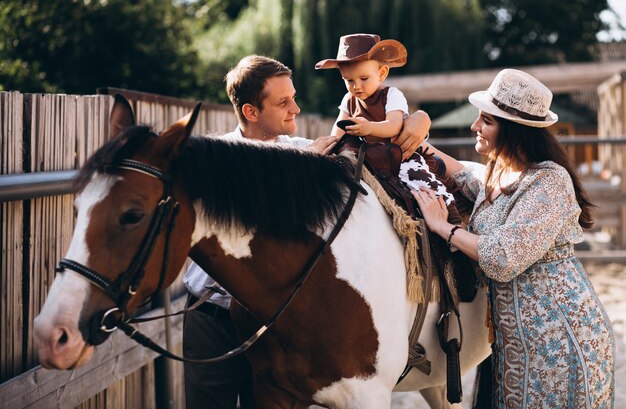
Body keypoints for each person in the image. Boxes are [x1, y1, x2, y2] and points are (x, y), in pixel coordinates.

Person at [183, 54, 431, 409]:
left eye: (294, 97)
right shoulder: (220, 161)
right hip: (214, 317)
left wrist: (418, 120)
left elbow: (365, 150)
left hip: (270, 323)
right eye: (283, 102)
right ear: (251, 112)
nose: (296, 109)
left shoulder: (303, 153)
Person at [412, 68, 615, 408]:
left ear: (515, 132)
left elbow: (502, 257)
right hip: (517, 340)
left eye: (486, 121)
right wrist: (414, 144)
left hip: (558, 336)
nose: (475, 126)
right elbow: (464, 176)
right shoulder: (498, 171)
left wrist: (443, 227)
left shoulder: (549, 182)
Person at [315, 33, 461, 222]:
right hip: (366, 158)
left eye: (364, 78)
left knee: (422, 181)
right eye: (349, 80)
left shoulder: (391, 95)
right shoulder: (349, 99)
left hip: (398, 155)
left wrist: (368, 128)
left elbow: (394, 126)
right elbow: (337, 132)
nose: (356, 86)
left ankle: (451, 217)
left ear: (382, 73)